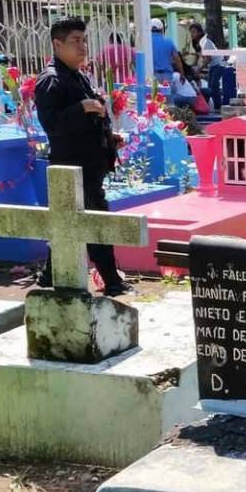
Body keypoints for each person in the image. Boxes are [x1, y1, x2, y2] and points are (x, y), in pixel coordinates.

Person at [34, 17, 131, 296]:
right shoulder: (51, 80)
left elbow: (86, 124)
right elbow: (52, 126)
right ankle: (112, 281)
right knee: (94, 223)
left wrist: (109, 138)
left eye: (84, 40)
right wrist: (81, 108)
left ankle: (49, 276)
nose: (83, 46)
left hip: (89, 166)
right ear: (57, 44)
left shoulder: (78, 76)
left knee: (68, 225)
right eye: (75, 41)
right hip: (71, 168)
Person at [150, 17, 184, 92]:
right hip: (167, 76)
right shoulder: (169, 41)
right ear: (162, 29)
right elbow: (177, 59)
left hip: (152, 77)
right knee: (169, 98)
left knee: (154, 98)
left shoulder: (146, 42)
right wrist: (182, 73)